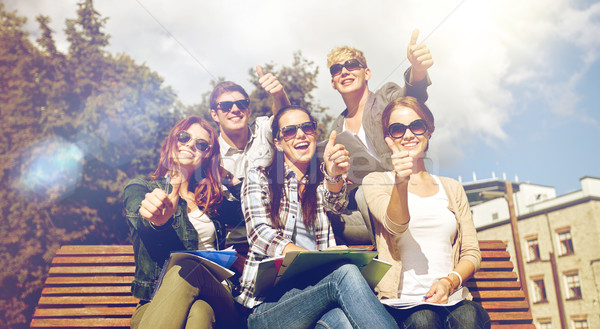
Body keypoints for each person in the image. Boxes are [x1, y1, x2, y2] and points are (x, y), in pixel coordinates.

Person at [236, 105, 399, 329]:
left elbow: (337, 203)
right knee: (344, 273)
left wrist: (333, 176)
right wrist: (312, 259)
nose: (300, 134)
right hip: (267, 306)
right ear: (278, 142)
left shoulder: (319, 184)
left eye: (307, 128)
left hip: (316, 295)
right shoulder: (258, 177)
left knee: (342, 322)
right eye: (290, 131)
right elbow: (260, 234)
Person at [362, 97, 490, 328]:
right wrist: (401, 181)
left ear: (429, 130)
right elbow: (395, 225)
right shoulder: (376, 182)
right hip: (402, 304)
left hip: (453, 299)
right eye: (398, 129)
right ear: (388, 138)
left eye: (417, 126)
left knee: (469, 318)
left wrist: (448, 282)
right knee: (424, 320)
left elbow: (471, 252)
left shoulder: (452, 188)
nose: (408, 135)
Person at [123, 116, 242, 329]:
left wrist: (230, 179)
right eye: (184, 137)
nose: (190, 144)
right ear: (172, 141)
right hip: (157, 302)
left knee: (187, 267)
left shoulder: (211, 199)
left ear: (208, 155)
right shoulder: (141, 188)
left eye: (201, 144)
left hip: (217, 296)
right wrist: (158, 221)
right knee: (199, 312)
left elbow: (251, 212)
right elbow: (141, 217)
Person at [326, 29, 434, 245]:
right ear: (333, 82)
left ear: (367, 73)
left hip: (406, 188)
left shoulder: (386, 97)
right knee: (327, 215)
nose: (345, 71)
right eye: (337, 69)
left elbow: (411, 97)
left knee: (366, 191)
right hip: (370, 209)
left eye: (352, 65)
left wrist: (418, 71)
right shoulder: (336, 129)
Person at [209, 68, 290, 249]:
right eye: (226, 106)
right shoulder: (209, 152)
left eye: (241, 104)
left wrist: (279, 94)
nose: (235, 109)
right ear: (215, 114)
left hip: (279, 238)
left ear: (249, 108)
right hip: (234, 246)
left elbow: (286, 122)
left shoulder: (263, 129)